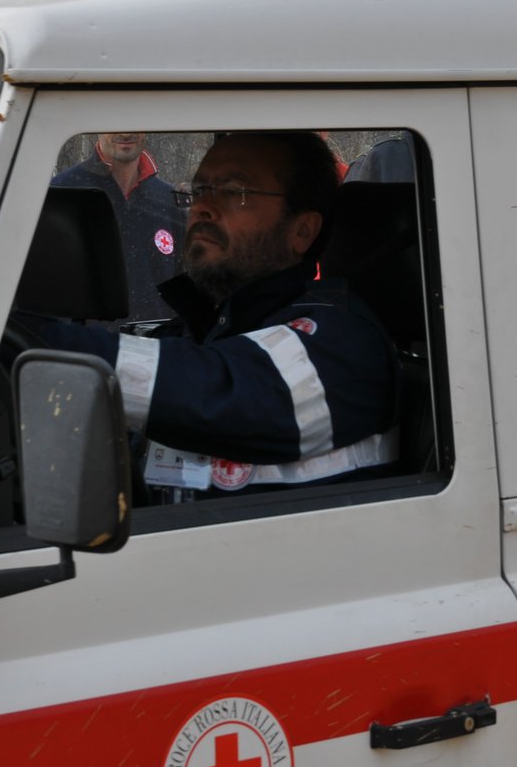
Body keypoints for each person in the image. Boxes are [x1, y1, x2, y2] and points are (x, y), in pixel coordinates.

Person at [26, 131, 400, 496]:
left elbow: (218, 391)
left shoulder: (343, 340)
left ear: (302, 229)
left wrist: (24, 345)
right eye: (200, 190)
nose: (203, 207)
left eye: (235, 192)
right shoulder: (201, 327)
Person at [51, 132, 185, 320]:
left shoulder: (169, 199)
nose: (125, 132)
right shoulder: (62, 193)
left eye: (134, 121)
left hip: (153, 344)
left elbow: (182, 288)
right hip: (85, 346)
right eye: (116, 122)